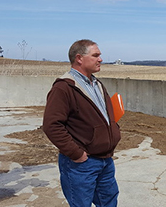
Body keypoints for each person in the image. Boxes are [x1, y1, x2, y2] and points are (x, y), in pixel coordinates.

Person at [43, 39, 121, 207]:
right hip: (81, 164)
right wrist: (77, 154)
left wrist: (114, 130)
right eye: (96, 55)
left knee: (109, 202)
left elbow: (106, 115)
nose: (101, 59)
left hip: (105, 160)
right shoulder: (64, 87)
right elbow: (52, 125)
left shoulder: (97, 84)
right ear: (79, 58)